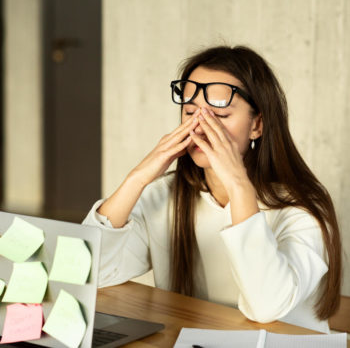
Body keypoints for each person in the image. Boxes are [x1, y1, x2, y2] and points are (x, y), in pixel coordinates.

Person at [83, 45, 341, 333]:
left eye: (220, 116)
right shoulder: (165, 195)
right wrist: (138, 178)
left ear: (257, 125)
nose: (201, 127)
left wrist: (239, 187)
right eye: (191, 112)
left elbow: (266, 306)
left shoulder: (301, 208)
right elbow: (90, 272)